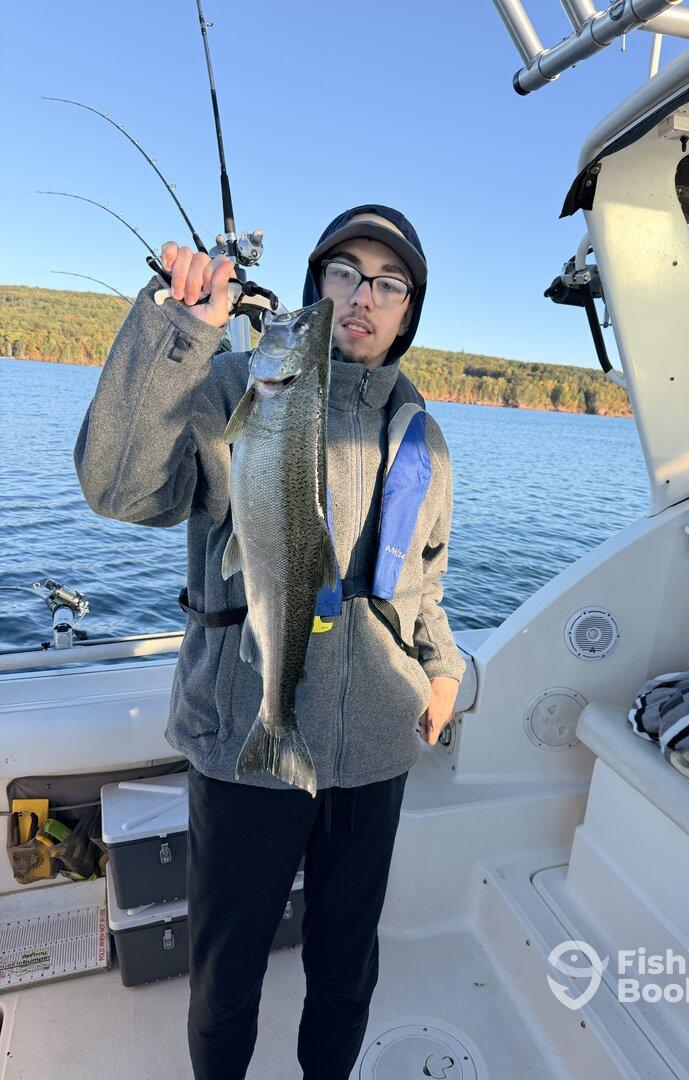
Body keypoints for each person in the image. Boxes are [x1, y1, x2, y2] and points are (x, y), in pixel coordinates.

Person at [73, 204, 467, 1079]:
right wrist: (180, 332)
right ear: (314, 292)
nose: (364, 296)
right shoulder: (237, 394)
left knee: (345, 971)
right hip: (244, 736)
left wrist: (441, 668)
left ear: (409, 310)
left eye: (388, 282)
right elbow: (118, 488)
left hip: (374, 747)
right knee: (227, 973)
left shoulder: (425, 441)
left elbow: (425, 583)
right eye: (344, 273)